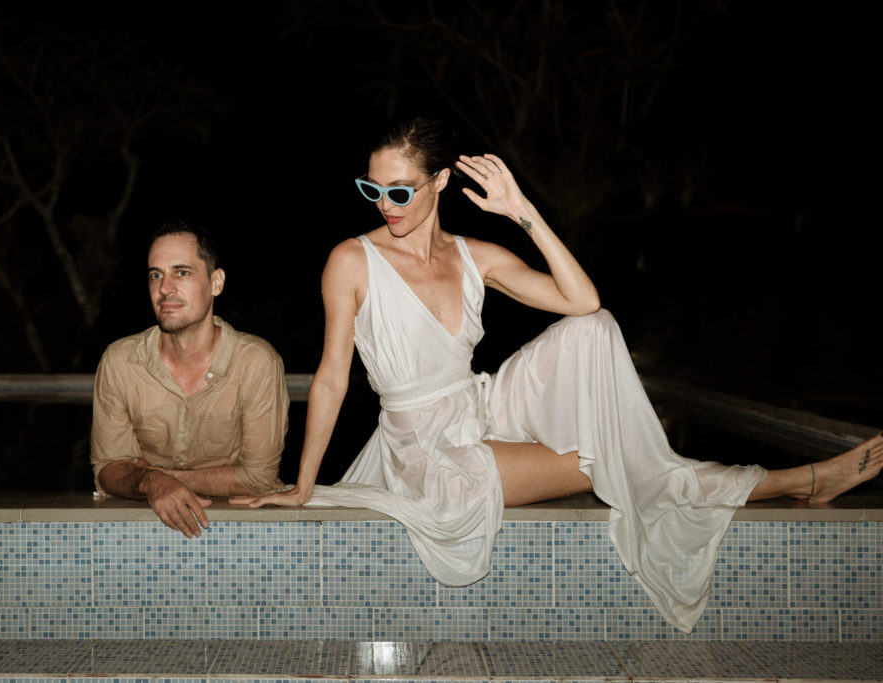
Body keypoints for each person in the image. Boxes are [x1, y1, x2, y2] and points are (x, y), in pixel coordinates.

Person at [233, 116, 883, 633]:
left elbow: (584, 299)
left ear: (436, 183)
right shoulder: (351, 260)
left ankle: (803, 479)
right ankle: (802, 479)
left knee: (594, 332)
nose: (385, 204)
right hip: (424, 448)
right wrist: (302, 485)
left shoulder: (474, 255)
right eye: (371, 189)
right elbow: (329, 380)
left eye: (399, 190)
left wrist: (523, 211)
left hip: (480, 407)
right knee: (618, 460)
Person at [91, 219, 288, 538]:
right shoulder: (121, 362)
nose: (164, 288)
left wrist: (159, 477)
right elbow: (108, 470)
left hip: (245, 534)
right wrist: (152, 483)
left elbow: (258, 478)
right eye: (156, 274)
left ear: (216, 283)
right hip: (142, 533)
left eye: (181, 272)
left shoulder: (255, 363)